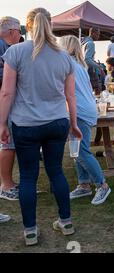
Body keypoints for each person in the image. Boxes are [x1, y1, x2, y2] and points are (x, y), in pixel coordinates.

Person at [0, 7, 83, 246]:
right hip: (57, 122)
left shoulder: (16, 52)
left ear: (28, 26)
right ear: (51, 25)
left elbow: (7, 92)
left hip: (25, 124)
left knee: (27, 177)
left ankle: (30, 231)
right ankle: (66, 222)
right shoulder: (64, 56)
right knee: (55, 171)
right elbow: (71, 97)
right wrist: (74, 124)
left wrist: (2, 123)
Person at [58, 35, 112, 205]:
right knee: (78, 150)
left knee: (81, 152)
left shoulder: (67, 65)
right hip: (85, 109)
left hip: (79, 111)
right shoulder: (79, 65)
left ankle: (102, 185)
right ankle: (84, 184)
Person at [0, 16, 22, 202]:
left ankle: (9, 183)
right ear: (13, 31)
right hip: (4, 100)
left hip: (6, 100)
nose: (20, 34)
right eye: (20, 31)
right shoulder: (3, 47)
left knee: (10, 143)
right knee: (8, 143)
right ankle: (6, 186)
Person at [81, 27, 102, 94]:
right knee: (97, 89)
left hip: (83, 69)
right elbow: (87, 59)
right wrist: (98, 66)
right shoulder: (91, 43)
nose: (98, 36)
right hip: (90, 69)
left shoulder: (83, 42)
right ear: (92, 33)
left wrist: (94, 62)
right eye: (97, 34)